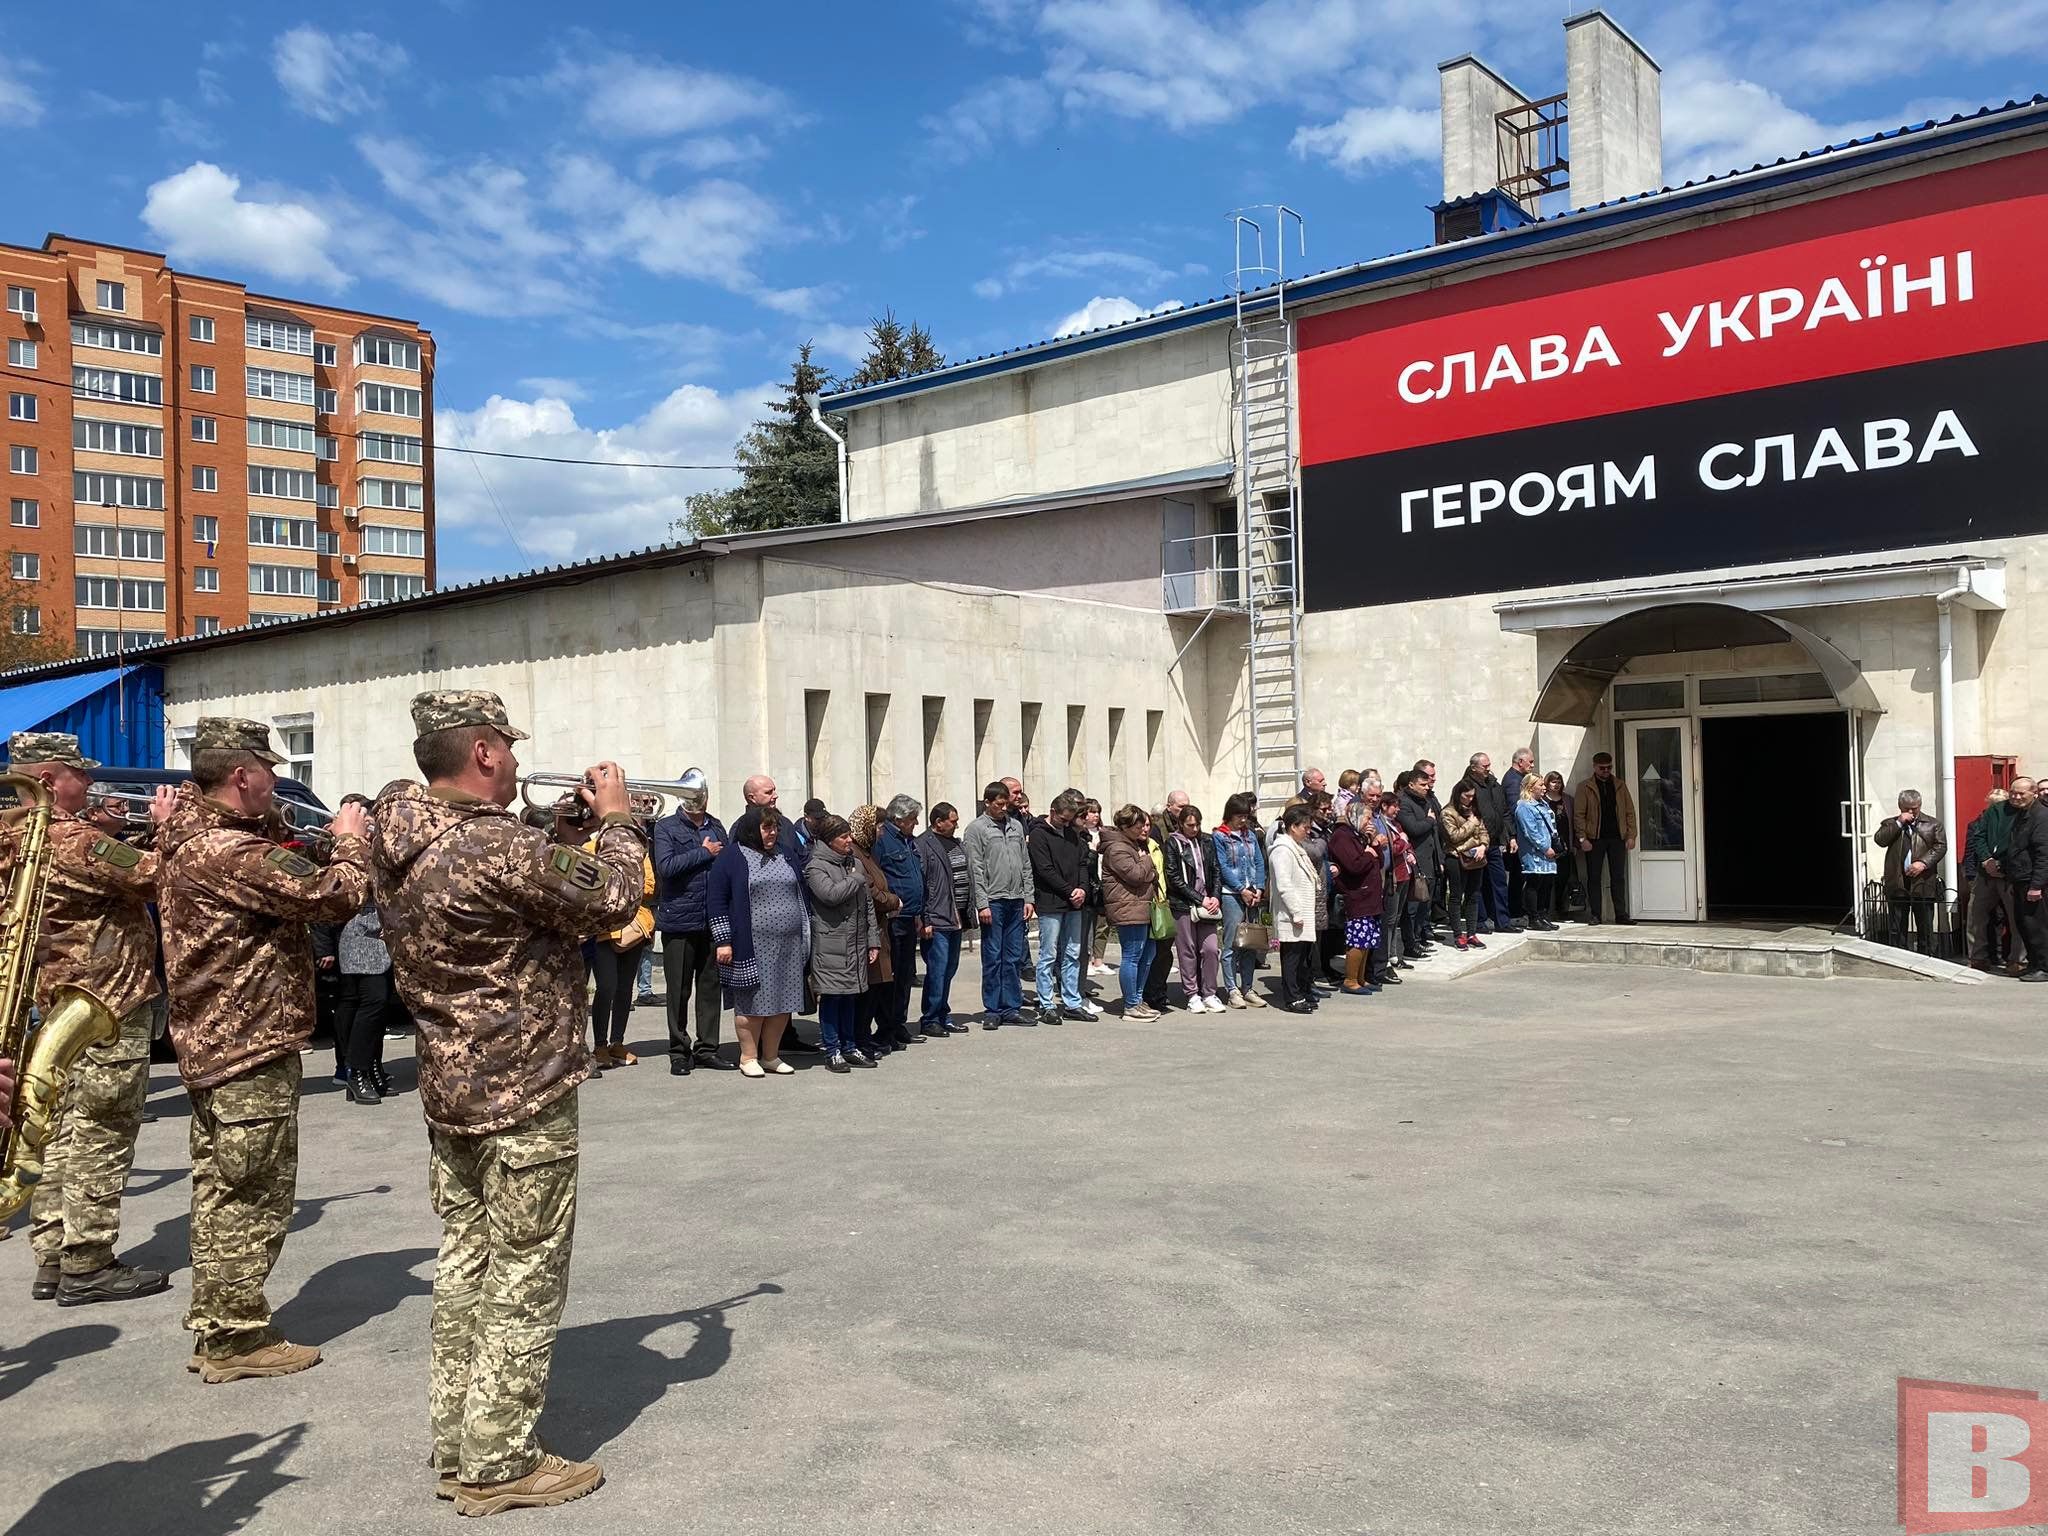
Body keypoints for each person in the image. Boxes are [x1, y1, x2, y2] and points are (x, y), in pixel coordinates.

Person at [372, 691, 641, 1514]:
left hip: (451, 1083)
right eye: (510, 750)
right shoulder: (493, 845)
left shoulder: (400, 833)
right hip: (521, 1085)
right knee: (526, 1270)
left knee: (465, 1261)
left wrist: (561, 838)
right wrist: (619, 821)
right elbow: (613, 896)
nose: (520, 762)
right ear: (484, 752)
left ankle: (459, 1437)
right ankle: (498, 1462)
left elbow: (523, 886)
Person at [161, 718, 371, 1382]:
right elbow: (338, 895)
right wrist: (349, 842)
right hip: (247, 1044)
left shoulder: (189, 835)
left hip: (217, 1041)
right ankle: (237, 1338)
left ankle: (218, 1325)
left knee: (222, 1190)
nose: (278, 779)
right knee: (253, 1195)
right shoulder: (228, 852)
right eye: (269, 769)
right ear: (241, 774)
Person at [9, 732, 174, 1307]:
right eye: (81, 773)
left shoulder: (9, 837)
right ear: (50, 780)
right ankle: (89, 1261)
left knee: (56, 1131)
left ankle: (52, 1253)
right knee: (102, 1134)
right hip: (107, 1004)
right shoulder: (76, 841)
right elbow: (161, 878)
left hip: (48, 1003)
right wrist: (168, 826)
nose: (92, 783)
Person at [708, 807, 811, 1077]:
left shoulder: (785, 854)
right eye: (767, 828)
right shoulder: (732, 857)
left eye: (775, 827)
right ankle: (748, 1056)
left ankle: (771, 1056)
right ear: (752, 830)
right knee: (752, 1004)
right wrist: (723, 941)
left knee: (782, 1001)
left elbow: (800, 891)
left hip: (788, 944)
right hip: (751, 945)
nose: (773, 832)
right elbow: (717, 901)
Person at [653, 775, 731, 1075]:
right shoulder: (666, 828)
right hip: (679, 921)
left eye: (703, 793)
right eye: (694, 793)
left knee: (710, 989)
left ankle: (708, 1048)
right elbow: (667, 868)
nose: (700, 799)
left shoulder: (716, 825)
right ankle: (678, 1050)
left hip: (711, 920)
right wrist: (704, 853)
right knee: (678, 990)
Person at [802, 815, 879, 1071]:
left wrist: (872, 941)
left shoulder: (854, 862)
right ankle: (832, 1049)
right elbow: (830, 895)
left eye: (849, 835)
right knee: (833, 998)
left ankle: (850, 1046)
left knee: (851, 997)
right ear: (829, 839)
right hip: (831, 945)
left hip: (856, 942)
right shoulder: (816, 866)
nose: (849, 841)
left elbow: (867, 905)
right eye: (843, 836)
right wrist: (857, 878)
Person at [964, 782, 1031, 1028]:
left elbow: (1025, 864)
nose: (1003, 808)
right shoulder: (976, 829)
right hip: (993, 900)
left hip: (1016, 899)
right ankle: (992, 1009)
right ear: (987, 803)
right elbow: (976, 869)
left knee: (1013, 957)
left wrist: (1029, 897)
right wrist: (982, 904)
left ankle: (1011, 1007)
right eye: (999, 804)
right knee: (993, 957)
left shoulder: (1015, 826)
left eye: (1006, 804)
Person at [587, 827, 655, 1066]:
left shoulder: (639, 852)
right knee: (606, 987)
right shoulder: (590, 847)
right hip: (603, 931)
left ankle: (617, 1042)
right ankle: (599, 1045)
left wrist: (613, 886)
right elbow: (588, 887)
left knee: (625, 988)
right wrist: (624, 885)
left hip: (632, 928)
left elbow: (648, 886)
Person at [1027, 789, 1093, 1025]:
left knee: (1073, 952)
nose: (1065, 824)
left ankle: (1072, 1002)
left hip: (1074, 902)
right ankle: (1046, 1004)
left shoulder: (1073, 835)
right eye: (1062, 820)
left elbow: (1082, 863)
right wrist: (1068, 891)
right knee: (1049, 954)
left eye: (1069, 821)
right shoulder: (1039, 834)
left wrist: (1082, 889)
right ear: (1053, 812)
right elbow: (1044, 870)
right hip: (1051, 902)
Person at [848, 805, 904, 1053]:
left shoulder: (868, 852)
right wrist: (892, 901)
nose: (882, 833)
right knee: (868, 990)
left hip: (879, 928)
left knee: (879, 987)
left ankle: (870, 1035)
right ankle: (860, 1038)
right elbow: (868, 890)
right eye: (879, 827)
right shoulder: (855, 854)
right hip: (867, 930)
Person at [873, 794, 928, 1044]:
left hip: (909, 917)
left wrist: (918, 913)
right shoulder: (884, 841)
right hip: (893, 918)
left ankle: (899, 1023)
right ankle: (886, 1027)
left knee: (905, 975)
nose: (916, 823)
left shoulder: (909, 841)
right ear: (899, 819)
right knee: (890, 976)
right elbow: (878, 878)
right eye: (912, 819)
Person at [1099, 805, 1162, 1019]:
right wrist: (1147, 861)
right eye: (1138, 826)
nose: (1143, 830)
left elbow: (1147, 875)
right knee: (1132, 955)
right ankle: (1130, 1005)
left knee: (1148, 953)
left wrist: (1148, 870)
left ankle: (1138, 998)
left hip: (1142, 905)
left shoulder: (1133, 845)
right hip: (1127, 908)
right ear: (1125, 826)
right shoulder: (1117, 848)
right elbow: (1135, 875)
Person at [335, 894, 397, 1105]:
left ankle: (372, 1068)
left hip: (383, 938)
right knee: (374, 1001)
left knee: (380, 1006)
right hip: (362, 938)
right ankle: (356, 1071)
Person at [915, 803, 970, 1037]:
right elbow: (922, 884)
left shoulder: (957, 843)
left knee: (950, 968)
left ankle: (943, 1014)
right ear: (938, 822)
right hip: (937, 917)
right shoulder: (924, 844)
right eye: (953, 820)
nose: (956, 824)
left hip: (956, 915)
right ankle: (930, 1018)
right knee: (937, 969)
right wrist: (924, 918)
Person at [1873, 790, 1947, 956]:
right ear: (1900, 807)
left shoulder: (1933, 824)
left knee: (1925, 925)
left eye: (1915, 808)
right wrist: (1898, 823)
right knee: (1897, 925)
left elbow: (1941, 846)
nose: (1912, 812)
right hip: (1898, 881)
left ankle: (1927, 956)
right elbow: (1880, 840)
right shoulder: (1890, 824)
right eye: (1908, 808)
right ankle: (1899, 956)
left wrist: (1923, 863)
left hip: (1922, 881)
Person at [1164, 803, 1223, 1011]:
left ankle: (1210, 993)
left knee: (1210, 949)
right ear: (1181, 824)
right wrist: (1199, 898)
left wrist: (1215, 896)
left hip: (1207, 905)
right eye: (1190, 825)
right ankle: (1192, 994)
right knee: (1187, 950)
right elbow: (1173, 877)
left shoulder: (1207, 841)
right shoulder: (1173, 843)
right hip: (1184, 905)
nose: (1194, 829)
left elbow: (1216, 870)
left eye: (1197, 825)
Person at [1213, 793, 1268, 1010]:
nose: (1243, 820)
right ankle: (1231, 989)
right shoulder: (1220, 836)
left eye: (1246, 816)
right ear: (1230, 814)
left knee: (1250, 943)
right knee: (1232, 943)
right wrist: (1241, 888)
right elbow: (1223, 866)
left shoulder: (1250, 835)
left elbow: (1258, 861)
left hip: (1252, 893)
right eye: (1239, 816)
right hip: (1232, 894)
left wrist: (1259, 887)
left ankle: (1248, 987)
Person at [1328, 798, 1385, 995]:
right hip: (1357, 896)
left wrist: (1374, 843)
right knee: (1358, 939)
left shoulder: (1360, 835)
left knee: (1368, 939)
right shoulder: (1342, 837)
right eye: (1368, 819)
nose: (1371, 823)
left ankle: (1361, 978)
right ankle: (1350, 980)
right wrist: (1369, 853)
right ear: (1356, 817)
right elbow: (1354, 866)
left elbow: (1379, 859)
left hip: (1371, 896)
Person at [1574, 753, 1637, 924]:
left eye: (1609, 767)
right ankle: (1596, 914)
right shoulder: (1585, 787)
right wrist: (1582, 838)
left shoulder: (1619, 785)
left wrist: (1631, 835)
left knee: (1618, 877)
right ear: (1594, 767)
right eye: (1602, 768)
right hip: (1595, 839)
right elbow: (1579, 815)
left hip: (1617, 838)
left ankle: (1621, 914)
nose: (1606, 771)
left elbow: (1629, 812)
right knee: (1594, 877)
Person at [1269, 805, 1321, 1012]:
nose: (1308, 831)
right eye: (1305, 827)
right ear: (1292, 827)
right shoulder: (1282, 851)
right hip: (1292, 915)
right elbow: (1284, 885)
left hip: (1302, 914)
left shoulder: (1296, 848)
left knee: (1302, 959)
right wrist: (1296, 913)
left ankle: (1301, 991)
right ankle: (1292, 997)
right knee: (1292, 958)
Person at [1965, 788, 2021, 973]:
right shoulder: (1988, 816)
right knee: (1976, 916)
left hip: (2009, 875)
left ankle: (2018, 960)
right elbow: (1977, 839)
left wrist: (2002, 864)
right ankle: (1977, 957)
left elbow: (2022, 844)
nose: (1995, 806)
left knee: (2016, 918)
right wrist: (1986, 860)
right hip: (1985, 874)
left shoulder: (2025, 815)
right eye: (1992, 802)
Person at [1466, 753, 1519, 935]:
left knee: (1499, 882)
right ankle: (1479, 921)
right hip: (1477, 842)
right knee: (1477, 884)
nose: (1488, 768)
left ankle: (1502, 921)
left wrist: (1511, 835)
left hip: (1495, 842)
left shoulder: (1494, 785)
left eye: (1489, 765)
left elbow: (1504, 811)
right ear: (1474, 768)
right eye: (1484, 766)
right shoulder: (1467, 787)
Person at [2003, 778, 2048, 982]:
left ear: (2034, 793)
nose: (2016, 797)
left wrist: (2037, 885)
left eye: (2021, 793)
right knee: (2024, 925)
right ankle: (2034, 964)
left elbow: (2043, 854)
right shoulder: (2021, 815)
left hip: (2033, 882)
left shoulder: (2041, 816)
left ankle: (2044, 967)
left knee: (2037, 926)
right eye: (2013, 792)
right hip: (2020, 879)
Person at [1395, 768, 1442, 956]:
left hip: (1430, 859)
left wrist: (1440, 858)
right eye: (1422, 785)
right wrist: (1430, 820)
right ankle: (1410, 944)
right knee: (1412, 907)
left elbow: (1435, 833)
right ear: (1412, 784)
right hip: (1415, 860)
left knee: (1425, 903)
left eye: (1426, 784)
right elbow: (1414, 828)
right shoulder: (1404, 803)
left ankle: (1419, 937)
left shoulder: (1426, 801)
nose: (1426, 787)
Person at [1439, 779, 1489, 950]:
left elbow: (1483, 831)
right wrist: (1471, 824)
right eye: (1466, 796)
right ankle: (1458, 934)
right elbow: (1453, 836)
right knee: (1455, 896)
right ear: (1458, 794)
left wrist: (1482, 845)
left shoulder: (1474, 811)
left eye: (1472, 797)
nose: (1469, 799)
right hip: (1455, 858)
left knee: (1473, 895)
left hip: (1476, 858)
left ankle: (1472, 933)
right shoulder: (1448, 812)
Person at [1512, 774, 1561, 932]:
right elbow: (1530, 831)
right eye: (1540, 785)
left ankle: (1542, 915)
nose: (1544, 788)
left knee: (1546, 884)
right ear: (1530, 787)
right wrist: (1545, 848)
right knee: (1534, 882)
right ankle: (1533, 918)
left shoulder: (1543, 804)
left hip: (1549, 852)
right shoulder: (1524, 806)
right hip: (1535, 852)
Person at [1502, 747, 1534, 920]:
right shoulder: (1513, 781)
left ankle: (1516, 909)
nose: (1532, 765)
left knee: (1519, 875)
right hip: (1516, 835)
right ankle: (1514, 910)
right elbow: (1515, 809)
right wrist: (1514, 836)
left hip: (1519, 834)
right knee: (1516, 875)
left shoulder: (1519, 778)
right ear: (1520, 762)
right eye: (1530, 761)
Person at [1542, 771, 1578, 922]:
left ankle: (1561, 909)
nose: (1556, 785)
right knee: (1546, 880)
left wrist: (1574, 844)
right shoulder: (1542, 800)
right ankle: (1544, 911)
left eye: (1558, 782)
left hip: (1564, 846)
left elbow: (1573, 822)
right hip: (1548, 846)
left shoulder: (1567, 800)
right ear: (1547, 783)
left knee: (1563, 879)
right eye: (1553, 782)